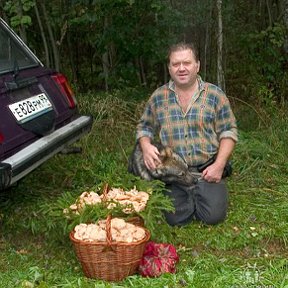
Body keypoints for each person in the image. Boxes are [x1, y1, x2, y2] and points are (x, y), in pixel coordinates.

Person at [135, 42, 238, 226]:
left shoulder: (215, 95)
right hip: (174, 173)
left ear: (197, 65)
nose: (181, 68)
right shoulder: (158, 97)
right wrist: (145, 146)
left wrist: (219, 165)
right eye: (176, 64)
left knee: (213, 217)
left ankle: (205, 191)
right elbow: (144, 127)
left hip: (207, 170)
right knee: (174, 219)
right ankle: (185, 194)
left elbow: (228, 132)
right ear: (169, 68)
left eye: (187, 63)